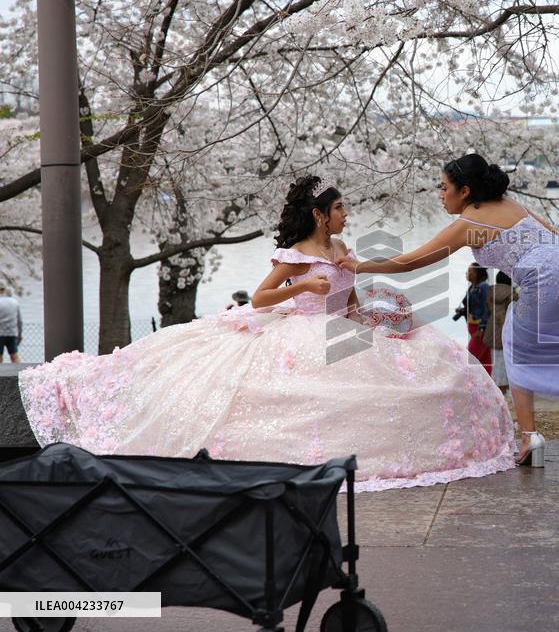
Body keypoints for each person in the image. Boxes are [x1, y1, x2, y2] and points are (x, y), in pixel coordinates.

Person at [19, 176, 515, 491]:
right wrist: (304, 284)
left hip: (342, 329)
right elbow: (260, 298)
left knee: (414, 367)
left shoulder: (341, 245)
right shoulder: (292, 256)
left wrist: (376, 316)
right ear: (321, 214)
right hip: (299, 332)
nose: (346, 215)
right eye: (340, 208)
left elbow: (352, 300)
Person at [334, 153, 559, 467]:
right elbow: (550, 234)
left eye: (444, 187)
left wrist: (359, 266)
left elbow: (411, 261)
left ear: (465, 191)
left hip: (547, 276)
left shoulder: (466, 224)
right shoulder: (512, 204)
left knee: (514, 343)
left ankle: (530, 438)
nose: (439, 194)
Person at [485, 271, 517, 394]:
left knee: (494, 359)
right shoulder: (512, 293)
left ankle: (495, 386)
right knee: (506, 360)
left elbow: (486, 310)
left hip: (492, 328)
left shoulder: (489, 291)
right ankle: (504, 387)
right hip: (506, 328)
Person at [464, 263, 491, 374]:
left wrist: (482, 328)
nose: (467, 273)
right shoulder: (472, 288)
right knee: (485, 360)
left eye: (470, 271)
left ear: (476, 273)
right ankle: (488, 387)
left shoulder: (483, 287)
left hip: (480, 329)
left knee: (469, 359)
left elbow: (488, 309)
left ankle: (467, 387)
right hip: (474, 327)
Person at [0, 286, 23, 364]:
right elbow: (19, 321)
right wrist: (20, 334)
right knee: (14, 355)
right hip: (12, 333)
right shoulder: (15, 302)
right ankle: (18, 372)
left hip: (0, 333)